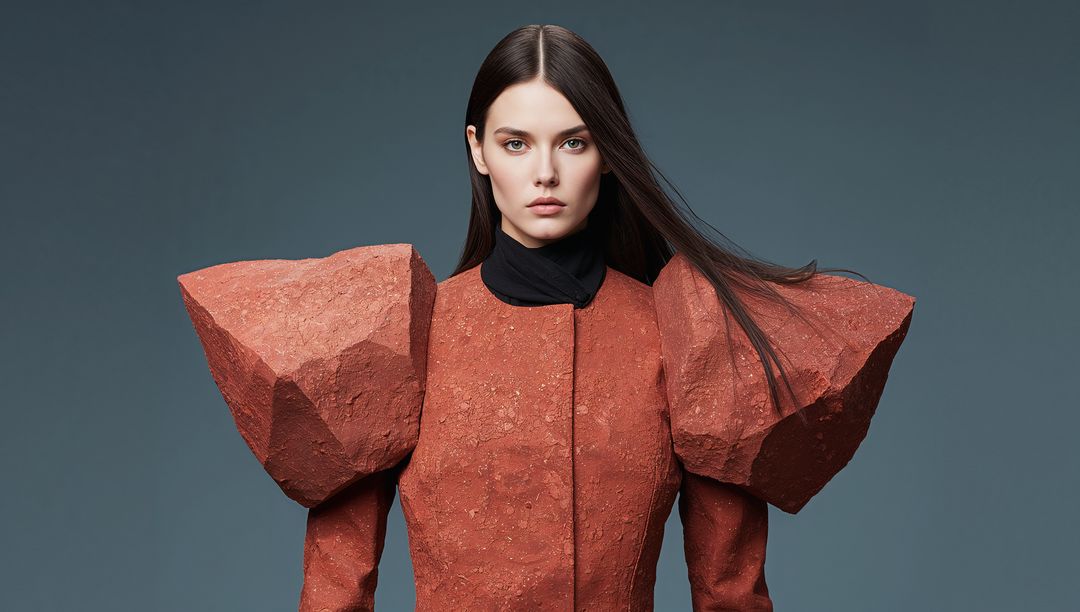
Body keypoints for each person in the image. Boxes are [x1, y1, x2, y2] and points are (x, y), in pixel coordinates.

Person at [178, 24, 915, 611]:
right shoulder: (398, 340)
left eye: (573, 141)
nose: (544, 174)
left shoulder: (684, 335)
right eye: (515, 143)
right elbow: (335, 596)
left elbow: (729, 594)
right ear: (478, 152)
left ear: (607, 154)